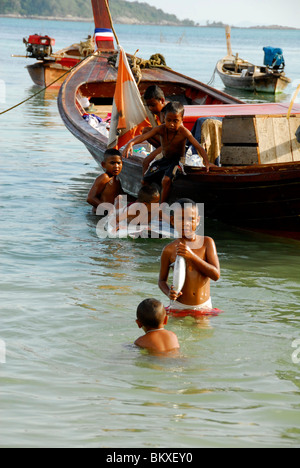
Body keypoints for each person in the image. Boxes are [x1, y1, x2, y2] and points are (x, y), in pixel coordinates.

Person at [123, 102, 211, 203]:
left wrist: (206, 162)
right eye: (168, 120)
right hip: (164, 160)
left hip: (177, 161)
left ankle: (162, 206)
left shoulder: (184, 131)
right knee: (144, 181)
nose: (171, 124)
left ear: (182, 120)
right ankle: (149, 201)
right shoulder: (161, 129)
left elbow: (198, 146)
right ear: (164, 118)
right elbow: (144, 136)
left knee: (166, 180)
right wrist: (131, 143)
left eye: (175, 121)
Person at [159, 199, 220, 313]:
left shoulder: (206, 243)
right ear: (172, 220)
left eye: (191, 219)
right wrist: (169, 293)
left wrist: (192, 256)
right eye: (181, 218)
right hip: (179, 306)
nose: (186, 223)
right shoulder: (168, 250)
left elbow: (216, 275)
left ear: (197, 220)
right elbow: (161, 280)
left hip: (203, 306)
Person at [87, 149, 123, 213]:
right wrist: (109, 210)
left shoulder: (117, 180)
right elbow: (90, 198)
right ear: (103, 164)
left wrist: (138, 200)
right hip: (98, 216)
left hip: (107, 214)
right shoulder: (104, 177)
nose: (116, 166)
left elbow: (121, 194)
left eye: (118, 163)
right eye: (112, 163)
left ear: (122, 164)